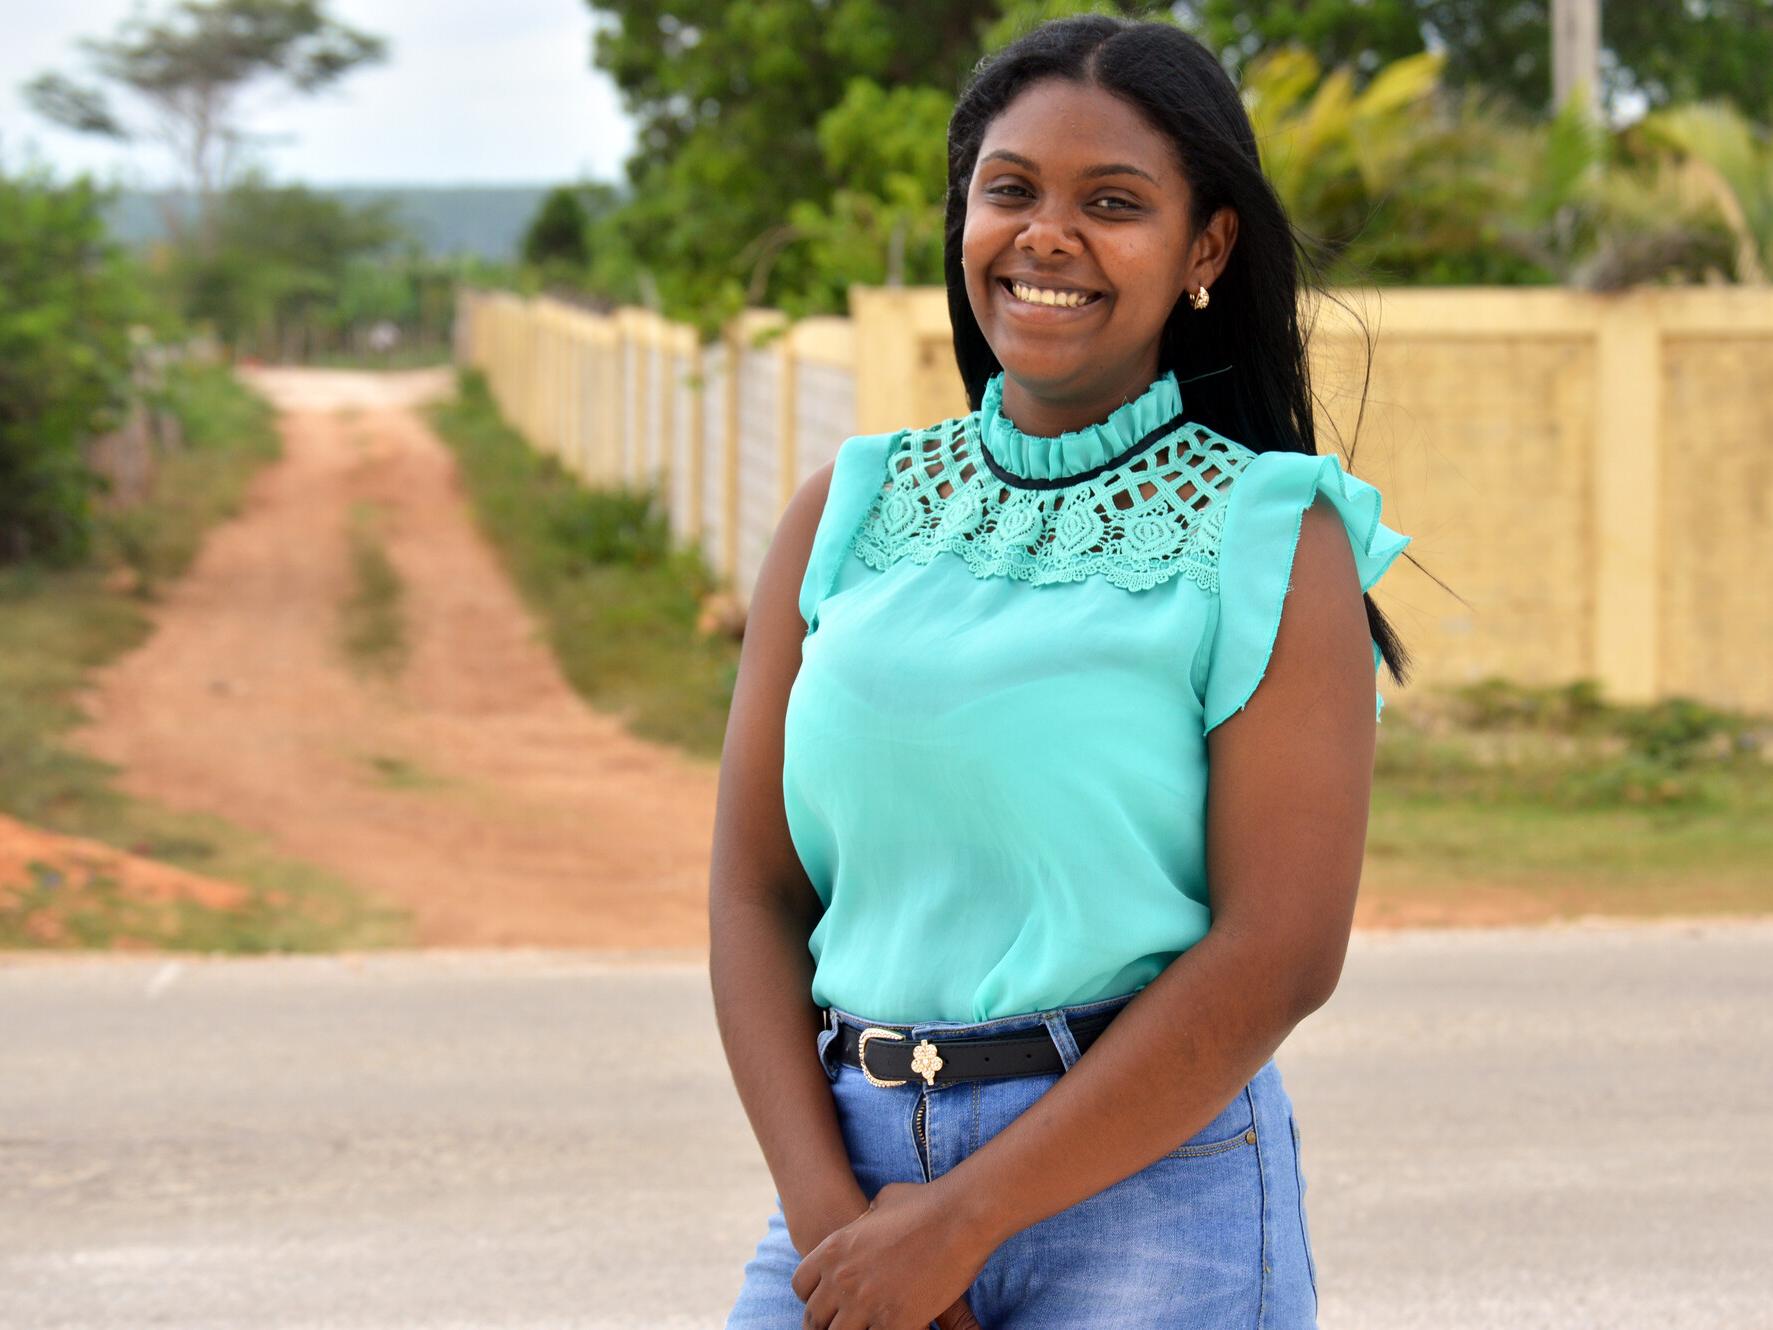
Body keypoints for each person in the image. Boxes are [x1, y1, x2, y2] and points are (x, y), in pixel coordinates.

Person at [711, 15, 1415, 1330]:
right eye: (1010, 189)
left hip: (1153, 1200)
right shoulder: (845, 509)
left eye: (1113, 203)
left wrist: (964, 1220)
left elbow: (1279, 951)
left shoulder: (1270, 531)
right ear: (963, 218)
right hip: (849, 1185)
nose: (1047, 234)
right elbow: (753, 893)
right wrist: (843, 1230)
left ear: (1205, 248)